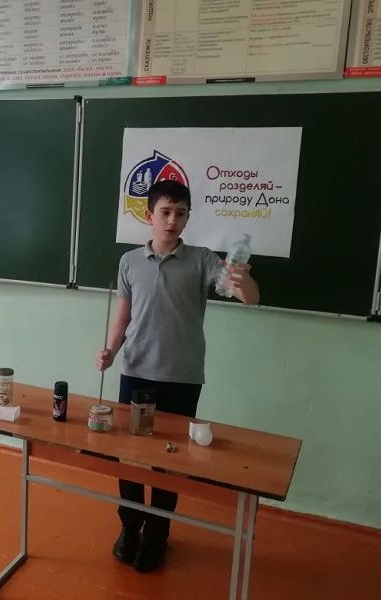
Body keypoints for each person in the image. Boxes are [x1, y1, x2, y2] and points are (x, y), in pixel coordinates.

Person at [94, 179, 260, 572]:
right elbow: (123, 317)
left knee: (170, 461)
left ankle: (158, 534)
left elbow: (249, 298)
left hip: (182, 378)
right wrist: (110, 350)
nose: (172, 220)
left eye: (180, 213)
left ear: (187, 218)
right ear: (149, 215)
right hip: (136, 372)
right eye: (165, 212)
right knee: (129, 457)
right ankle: (130, 527)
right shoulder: (130, 261)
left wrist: (243, 279)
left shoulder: (203, 260)